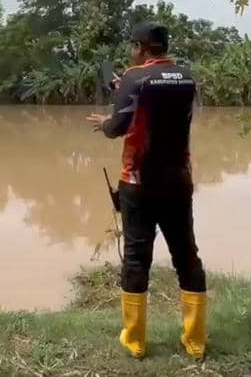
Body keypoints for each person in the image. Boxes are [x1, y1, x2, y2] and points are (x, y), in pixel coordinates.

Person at [86, 21, 207, 359]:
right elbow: (155, 101)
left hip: (139, 182)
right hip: (179, 181)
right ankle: (195, 342)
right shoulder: (187, 77)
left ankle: (136, 342)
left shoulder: (134, 77)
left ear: (140, 48)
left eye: (132, 47)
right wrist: (123, 86)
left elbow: (118, 126)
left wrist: (104, 123)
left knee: (138, 259)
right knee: (187, 256)